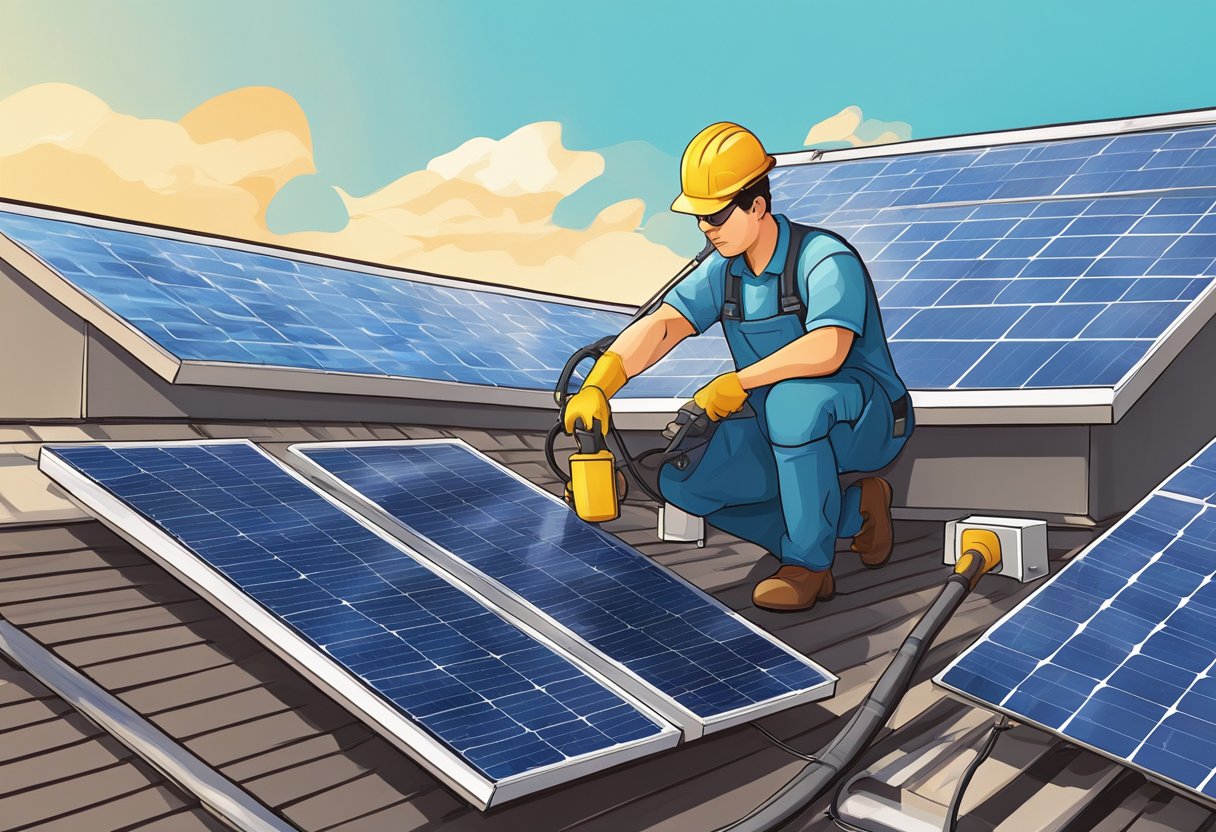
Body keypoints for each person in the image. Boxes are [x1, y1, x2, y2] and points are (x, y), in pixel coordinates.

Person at [563, 122, 913, 612]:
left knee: (794, 405)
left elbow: (829, 348)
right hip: (775, 422)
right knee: (680, 481)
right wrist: (600, 384)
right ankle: (858, 514)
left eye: (717, 215)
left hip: (868, 418)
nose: (706, 228)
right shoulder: (723, 271)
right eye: (700, 218)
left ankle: (810, 567)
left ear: (757, 205)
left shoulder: (823, 258)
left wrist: (739, 381)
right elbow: (664, 325)